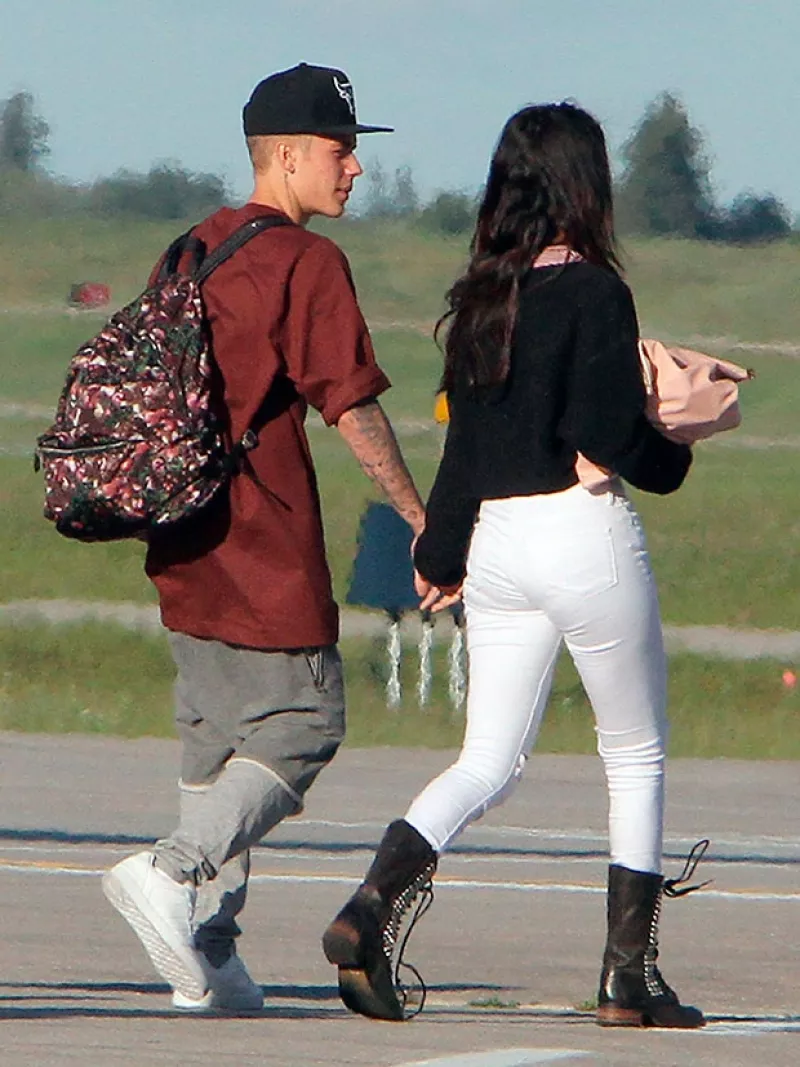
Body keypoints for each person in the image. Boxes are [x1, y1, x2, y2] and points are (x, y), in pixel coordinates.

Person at [323, 102, 707, 1029]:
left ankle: (371, 902)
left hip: (495, 542)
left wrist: (440, 553)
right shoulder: (597, 294)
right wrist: (679, 449)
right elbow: (607, 434)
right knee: (636, 751)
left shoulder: (484, 298)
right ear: (587, 185)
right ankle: (628, 978)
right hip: (581, 534)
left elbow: (463, 454)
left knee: (487, 758)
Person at [102, 62, 426, 1014]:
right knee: (304, 723)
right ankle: (173, 872)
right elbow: (351, 405)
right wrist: (417, 514)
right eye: (341, 148)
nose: (355, 167)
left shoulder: (187, 249)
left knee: (216, 740)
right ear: (286, 156)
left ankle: (207, 948)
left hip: (179, 535)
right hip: (262, 536)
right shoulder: (305, 263)